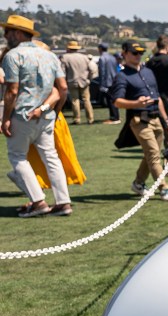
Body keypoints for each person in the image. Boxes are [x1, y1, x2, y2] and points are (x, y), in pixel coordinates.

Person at [1, 14, 72, 217]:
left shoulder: (13, 56)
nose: (5, 35)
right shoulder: (49, 55)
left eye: (7, 31)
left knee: (17, 157)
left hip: (22, 114)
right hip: (45, 115)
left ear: (17, 33)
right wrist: (54, 112)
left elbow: (12, 91)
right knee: (51, 157)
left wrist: (5, 118)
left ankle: (38, 202)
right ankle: (63, 202)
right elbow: (63, 88)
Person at [110, 39, 168, 202]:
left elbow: (157, 97)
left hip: (156, 118)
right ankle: (164, 188)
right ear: (124, 54)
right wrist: (136, 103)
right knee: (153, 154)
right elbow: (117, 101)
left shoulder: (148, 72)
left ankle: (139, 183)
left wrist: (167, 122)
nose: (138, 56)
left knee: (151, 155)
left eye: (140, 53)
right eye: (134, 53)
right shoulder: (122, 76)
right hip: (139, 120)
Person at [61, 40, 95, 124]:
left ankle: (77, 119)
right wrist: (89, 79)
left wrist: (64, 81)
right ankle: (90, 118)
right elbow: (92, 69)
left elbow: (63, 71)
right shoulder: (84, 57)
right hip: (84, 81)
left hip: (72, 81)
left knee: (75, 100)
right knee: (87, 100)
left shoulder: (65, 57)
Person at [97, 42, 120, 123]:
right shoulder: (112, 57)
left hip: (107, 82)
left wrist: (102, 85)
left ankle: (114, 117)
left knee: (110, 100)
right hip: (114, 81)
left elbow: (102, 72)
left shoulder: (102, 58)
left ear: (100, 49)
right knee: (113, 99)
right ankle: (116, 116)